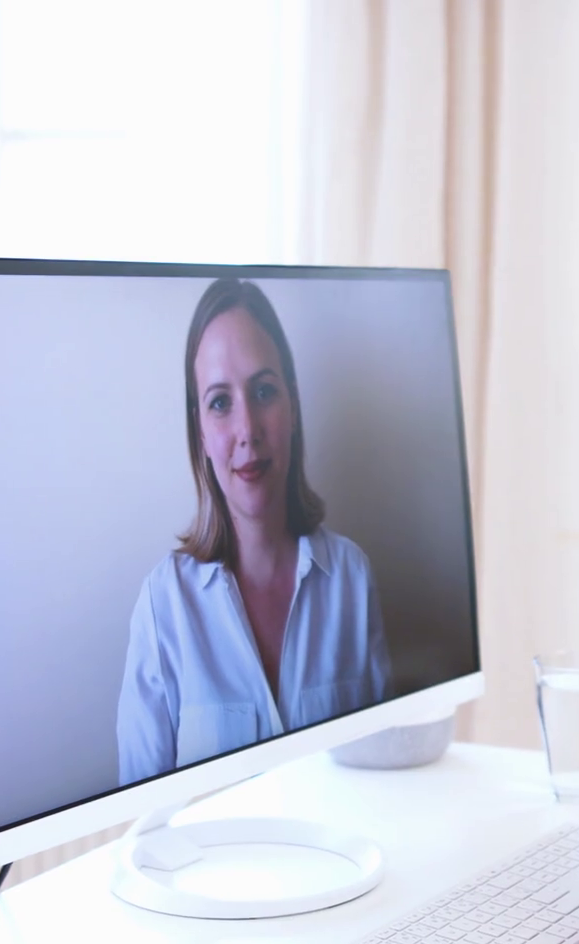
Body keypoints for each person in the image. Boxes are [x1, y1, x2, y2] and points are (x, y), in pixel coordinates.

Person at [117, 278, 390, 784]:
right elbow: (140, 826)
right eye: (221, 402)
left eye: (264, 392)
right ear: (198, 429)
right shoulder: (163, 607)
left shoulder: (353, 578)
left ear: (293, 409)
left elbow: (382, 777)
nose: (248, 430)